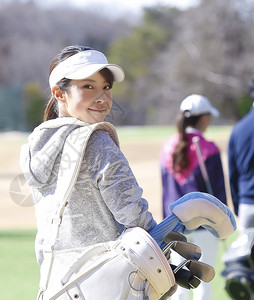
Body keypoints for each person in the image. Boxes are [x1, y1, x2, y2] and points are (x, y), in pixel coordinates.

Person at [20, 45, 164, 299]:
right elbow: (134, 216)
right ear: (59, 93)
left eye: (106, 87)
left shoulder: (33, 146)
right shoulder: (97, 142)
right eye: (88, 86)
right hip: (106, 283)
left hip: (56, 285)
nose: (102, 97)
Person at [159, 94, 227, 300]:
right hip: (205, 226)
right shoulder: (208, 148)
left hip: (175, 227)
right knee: (203, 284)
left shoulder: (167, 147)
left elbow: (164, 191)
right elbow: (219, 192)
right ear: (204, 117)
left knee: (179, 282)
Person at [228, 70, 254, 231]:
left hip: (247, 206)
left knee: (249, 257)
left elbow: (233, 175)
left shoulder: (238, 129)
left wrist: (239, 206)